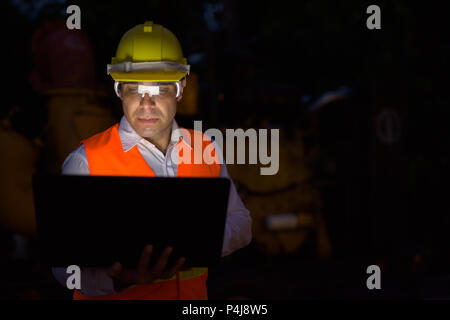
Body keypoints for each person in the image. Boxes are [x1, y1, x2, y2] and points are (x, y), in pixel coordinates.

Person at [52, 21, 252, 300]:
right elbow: (64, 269)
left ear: (180, 88)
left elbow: (241, 223)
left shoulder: (205, 148)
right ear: (119, 90)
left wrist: (191, 243)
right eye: (134, 89)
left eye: (160, 89)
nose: (147, 104)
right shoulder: (86, 162)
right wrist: (121, 280)